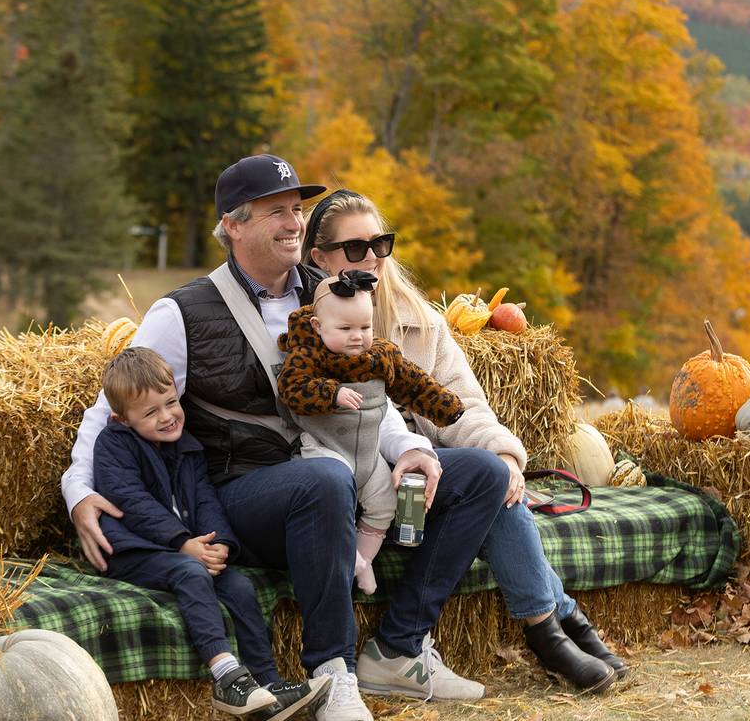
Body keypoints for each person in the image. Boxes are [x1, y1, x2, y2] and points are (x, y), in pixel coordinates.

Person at [62, 154, 509, 721]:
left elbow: (368, 389)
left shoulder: (330, 292)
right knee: (324, 479)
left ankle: (398, 646)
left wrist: (411, 450)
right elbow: (111, 410)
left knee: (481, 474)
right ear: (234, 224)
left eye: (297, 210)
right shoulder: (181, 312)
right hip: (244, 494)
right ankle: (333, 671)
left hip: (344, 470)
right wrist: (78, 490)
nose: (295, 223)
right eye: (277, 212)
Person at [303, 189, 628, 694]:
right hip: (359, 490)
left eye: (380, 244)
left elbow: (463, 406)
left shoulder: (420, 322)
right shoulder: (306, 325)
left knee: (495, 478)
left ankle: (551, 627)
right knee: (485, 480)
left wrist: (503, 453)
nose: (371, 258)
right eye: (354, 249)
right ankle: (557, 624)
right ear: (318, 257)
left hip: (428, 486)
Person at [93, 346, 330, 719]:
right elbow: (132, 502)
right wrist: (181, 543)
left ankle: (266, 683)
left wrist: (217, 543)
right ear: (122, 419)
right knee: (189, 573)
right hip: (132, 550)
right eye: (151, 412)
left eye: (171, 403)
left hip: (183, 546)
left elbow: (205, 500)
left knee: (238, 586)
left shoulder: (188, 447)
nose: (168, 416)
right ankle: (226, 676)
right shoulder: (113, 445)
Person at [276, 269, 466, 594]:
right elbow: (292, 389)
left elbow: (413, 383)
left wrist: (446, 408)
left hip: (367, 453)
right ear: (317, 327)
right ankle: (351, 561)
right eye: (346, 328)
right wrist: (331, 393)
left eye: (365, 327)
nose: (357, 336)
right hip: (327, 448)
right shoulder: (307, 356)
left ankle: (361, 563)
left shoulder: (380, 355)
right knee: (333, 499)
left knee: (385, 505)